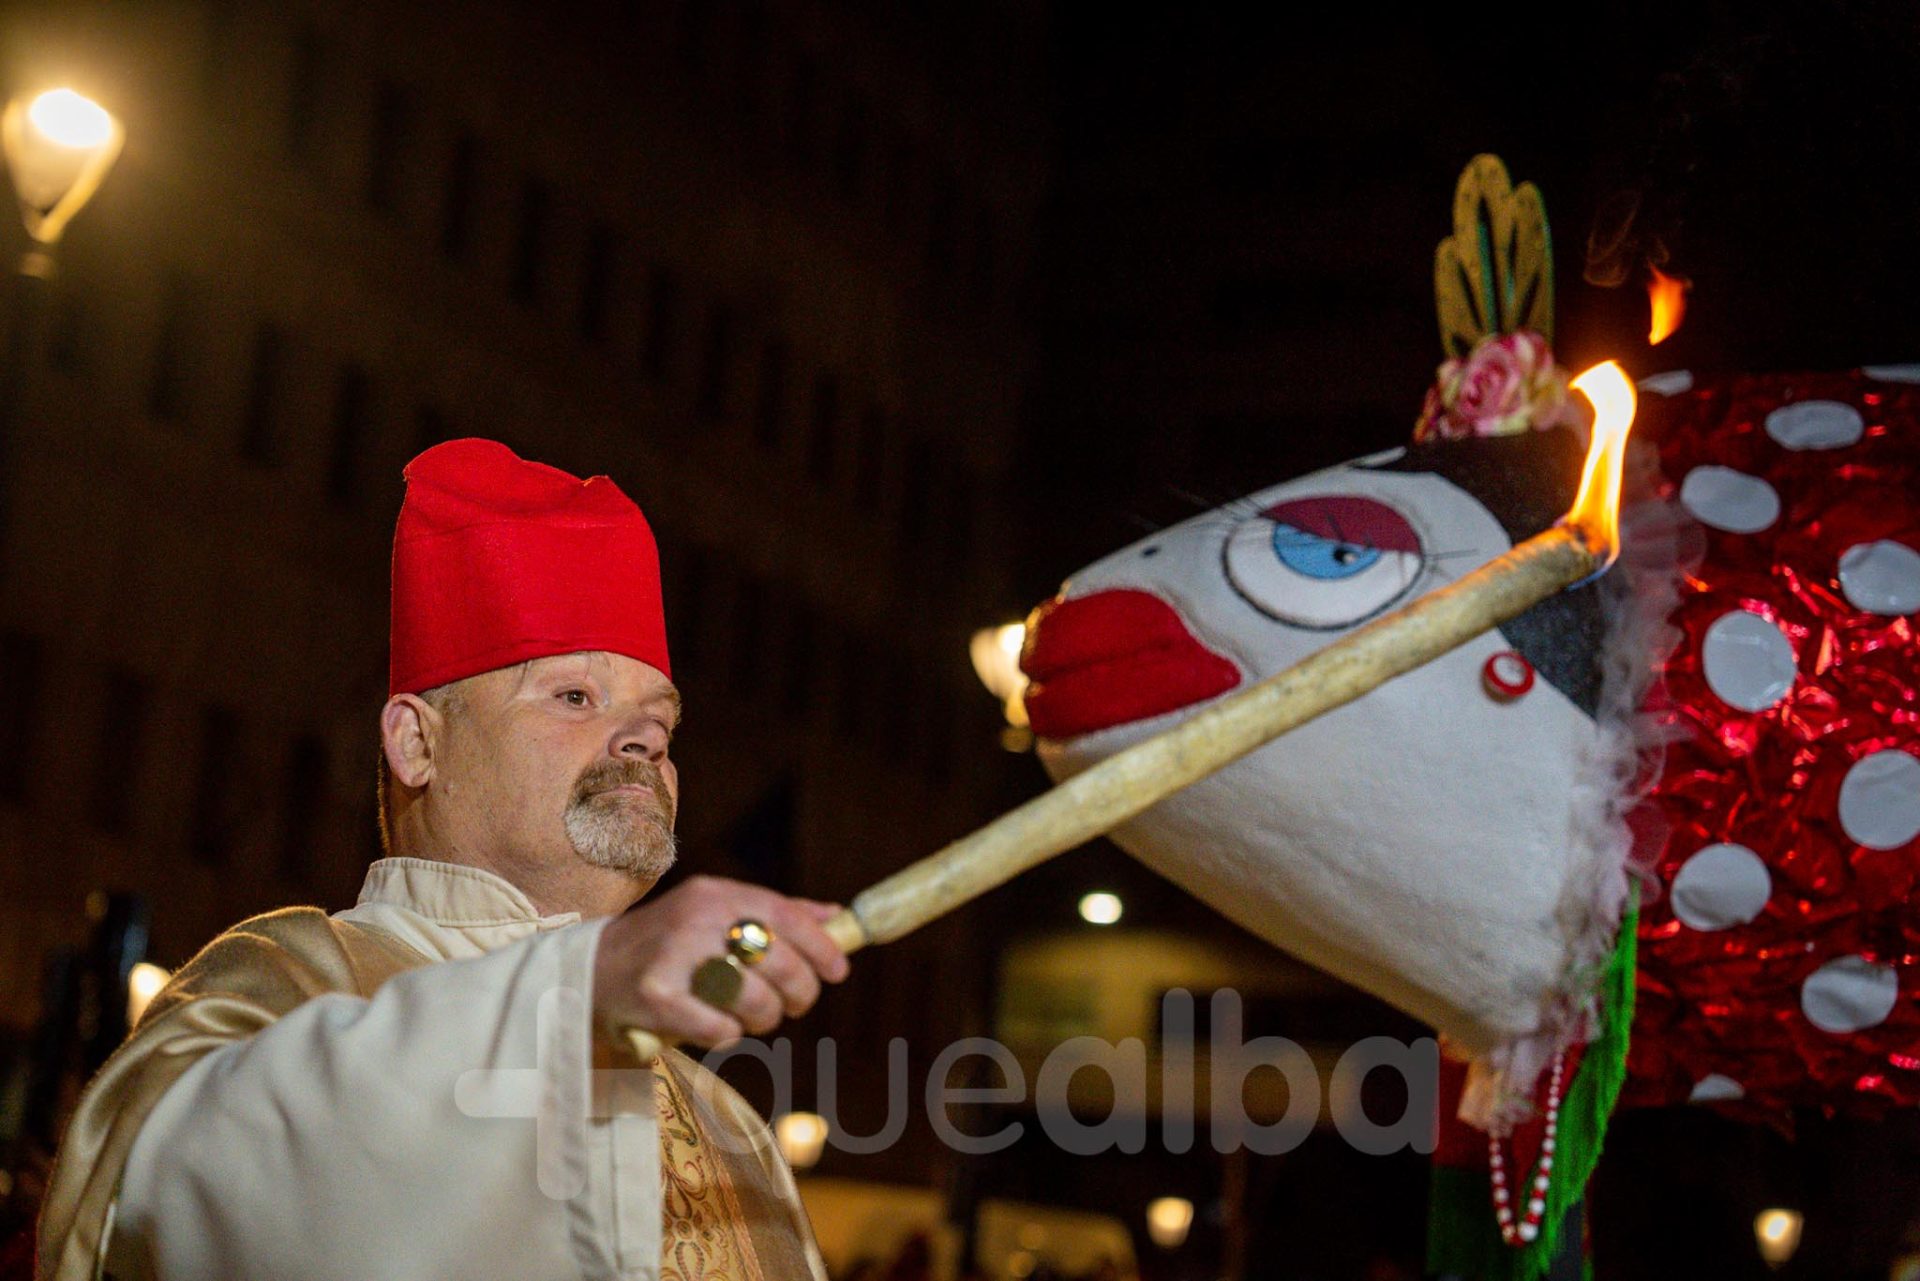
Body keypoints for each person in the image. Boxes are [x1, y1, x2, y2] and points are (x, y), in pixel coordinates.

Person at [37, 438, 850, 1281]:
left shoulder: (726, 1121)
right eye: (575, 695)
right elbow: (181, 1189)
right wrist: (579, 991)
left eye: (663, 722)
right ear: (418, 742)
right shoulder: (284, 981)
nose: (644, 739)